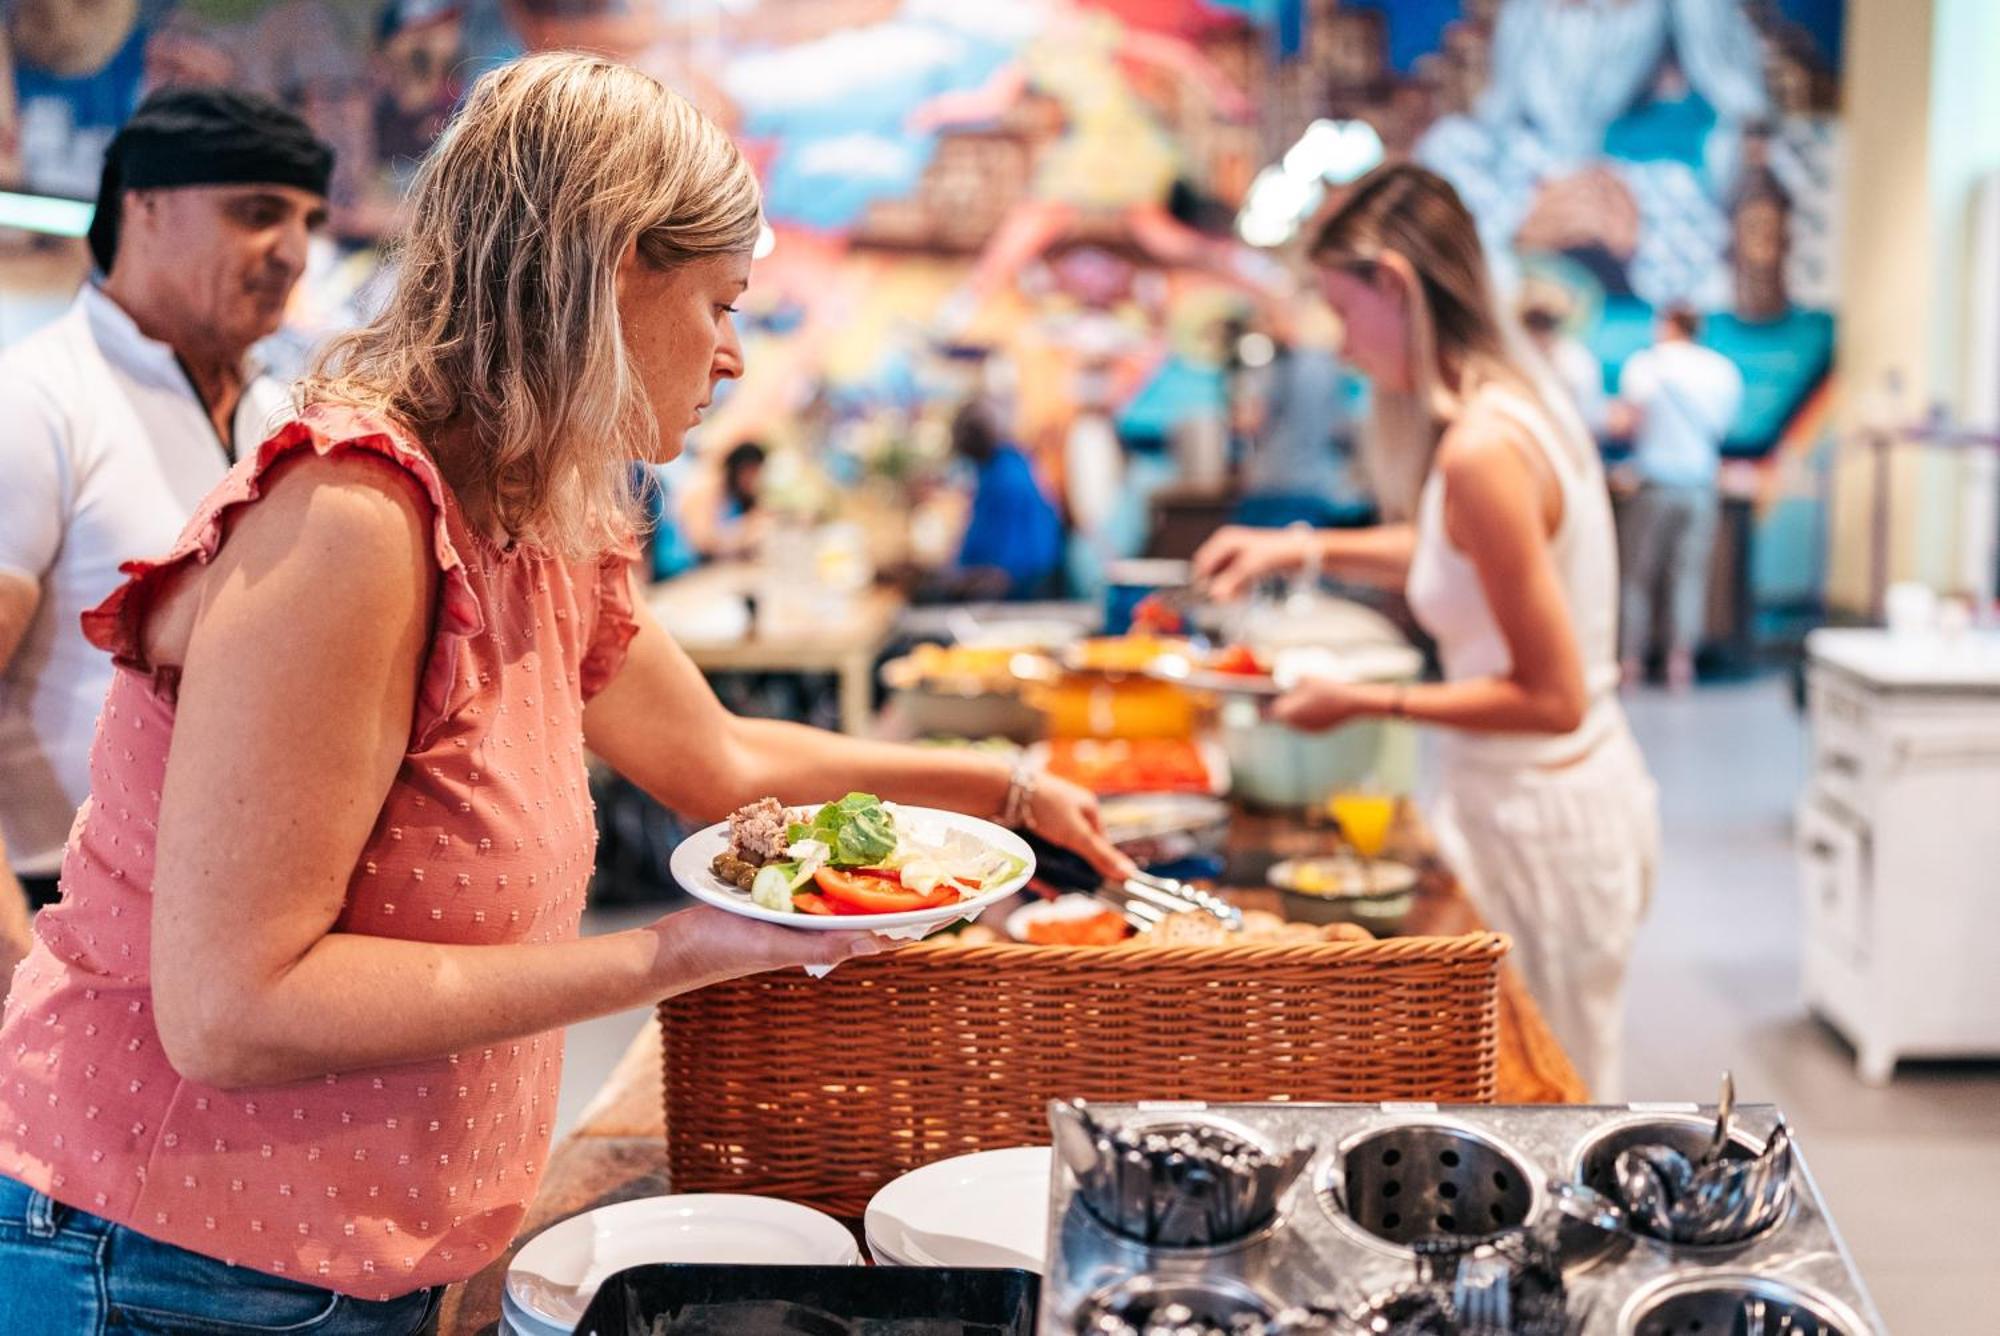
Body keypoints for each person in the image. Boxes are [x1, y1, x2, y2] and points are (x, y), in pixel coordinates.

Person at [0, 53, 1128, 1330]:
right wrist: (676, 950)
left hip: (366, 1253)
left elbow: (725, 765)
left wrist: (1004, 790)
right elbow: (231, 1010)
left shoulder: (538, 514)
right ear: (608, 273)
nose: (733, 359)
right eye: (721, 305)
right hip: (166, 1261)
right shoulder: (354, 521)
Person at [1194, 164, 1658, 1099]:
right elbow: (1454, 553)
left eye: (1342, 307)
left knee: (1548, 1103)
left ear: (1396, 286)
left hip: (1546, 816)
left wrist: (1363, 701)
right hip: (1531, 801)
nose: (1342, 341)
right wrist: (1298, 549)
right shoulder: (1503, 407)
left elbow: (1553, 697)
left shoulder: (1486, 446)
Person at [0, 88, 331, 928]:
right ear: (142, 206)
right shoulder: (36, 400)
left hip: (244, 906)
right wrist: (15, 949)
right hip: (57, 902)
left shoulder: (285, 415)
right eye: (257, 212)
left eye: (307, 221)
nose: (292, 252)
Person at [1611, 304, 1744, 691]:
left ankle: (1630, 664)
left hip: (1654, 481)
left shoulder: (1647, 365)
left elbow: (1628, 421)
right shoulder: (1721, 371)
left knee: (1636, 576)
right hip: (1700, 485)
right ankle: (1679, 665)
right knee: (1688, 577)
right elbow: (1724, 428)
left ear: (1668, 325)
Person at [951, 399, 1064, 600]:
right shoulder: (999, 467)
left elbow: (1015, 566)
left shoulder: (1006, 478)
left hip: (1023, 591)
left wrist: (967, 578)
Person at [1519, 296, 1607, 440]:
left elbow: (1591, 419)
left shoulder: (1576, 361)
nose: (1539, 333)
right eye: (1533, 324)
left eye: (1545, 324)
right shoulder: (1517, 359)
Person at [677, 439, 769, 561]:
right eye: (750, 474)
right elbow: (702, 543)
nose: (753, 480)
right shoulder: (705, 491)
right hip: (684, 564)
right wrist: (745, 533)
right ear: (737, 469)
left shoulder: (739, 495)